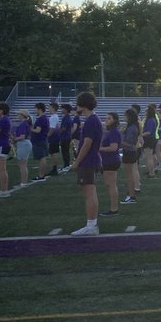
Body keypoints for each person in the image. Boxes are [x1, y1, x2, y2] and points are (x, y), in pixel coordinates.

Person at [70, 92, 103, 235]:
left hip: (88, 161)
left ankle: (91, 225)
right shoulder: (93, 119)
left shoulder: (91, 121)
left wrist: (77, 162)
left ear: (83, 105)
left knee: (89, 194)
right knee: (91, 193)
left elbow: (87, 144)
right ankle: (91, 224)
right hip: (92, 159)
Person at [100, 111, 122, 217]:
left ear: (114, 120)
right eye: (106, 118)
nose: (106, 120)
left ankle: (114, 209)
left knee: (112, 185)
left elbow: (113, 148)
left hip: (111, 161)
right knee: (110, 185)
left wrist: (99, 148)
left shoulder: (114, 132)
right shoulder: (111, 131)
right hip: (109, 161)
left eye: (109, 118)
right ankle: (113, 208)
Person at [121, 107, 142, 204]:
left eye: (125, 115)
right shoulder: (134, 126)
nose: (124, 117)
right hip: (132, 151)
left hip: (129, 151)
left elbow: (128, 143)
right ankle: (131, 195)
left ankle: (131, 196)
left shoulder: (131, 128)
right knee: (131, 175)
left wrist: (119, 142)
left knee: (129, 176)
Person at [0, 103, 12, 195]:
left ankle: (4, 190)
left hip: (1, 145)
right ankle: (4, 189)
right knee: (1, 169)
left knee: (1, 169)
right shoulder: (5, 120)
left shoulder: (3, 120)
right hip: (3, 144)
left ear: (2, 110)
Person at [30, 102, 51, 180]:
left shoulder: (41, 119)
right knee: (43, 158)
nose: (35, 110)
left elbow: (38, 130)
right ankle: (42, 175)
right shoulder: (45, 118)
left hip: (39, 141)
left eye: (35, 109)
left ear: (39, 109)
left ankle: (41, 175)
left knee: (42, 158)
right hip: (43, 140)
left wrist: (31, 129)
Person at [12, 109, 33, 186]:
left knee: (22, 165)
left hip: (23, 144)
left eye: (19, 114)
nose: (18, 115)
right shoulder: (25, 123)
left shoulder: (23, 124)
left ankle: (23, 182)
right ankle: (24, 181)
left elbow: (22, 136)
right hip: (25, 144)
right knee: (23, 164)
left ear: (22, 115)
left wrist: (14, 139)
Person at [142, 104, 160, 179]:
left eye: (146, 111)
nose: (145, 113)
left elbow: (149, 132)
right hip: (151, 139)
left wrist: (140, 134)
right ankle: (152, 171)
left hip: (149, 139)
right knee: (150, 156)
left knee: (148, 157)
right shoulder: (152, 119)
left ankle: (151, 173)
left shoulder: (150, 120)